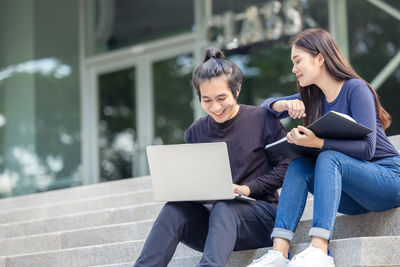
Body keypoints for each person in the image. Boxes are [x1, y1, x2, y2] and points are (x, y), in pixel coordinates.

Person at [248, 28, 400, 267]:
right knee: (299, 164)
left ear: (320, 58)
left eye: (298, 61)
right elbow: (264, 108)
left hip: (388, 181)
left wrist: (317, 143)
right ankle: (279, 252)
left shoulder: (355, 89)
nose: (293, 69)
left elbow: (368, 149)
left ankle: (319, 250)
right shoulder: (314, 98)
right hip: (352, 193)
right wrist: (282, 103)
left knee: (329, 157)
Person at [133, 47, 290, 267]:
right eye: (207, 100)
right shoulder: (195, 131)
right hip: (215, 226)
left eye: (221, 98)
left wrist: (247, 189)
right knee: (174, 209)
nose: (215, 108)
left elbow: (287, 167)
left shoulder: (263, 119)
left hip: (260, 219)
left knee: (226, 205)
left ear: (237, 90)